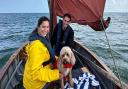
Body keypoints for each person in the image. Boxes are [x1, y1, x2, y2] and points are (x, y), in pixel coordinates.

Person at [23, 16, 62, 89]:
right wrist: (57, 74)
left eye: (47, 27)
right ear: (38, 27)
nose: (46, 30)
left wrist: (59, 59)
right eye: (43, 27)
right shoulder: (36, 46)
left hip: (35, 78)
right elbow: (35, 73)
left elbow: (46, 55)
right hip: (35, 85)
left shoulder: (42, 38)